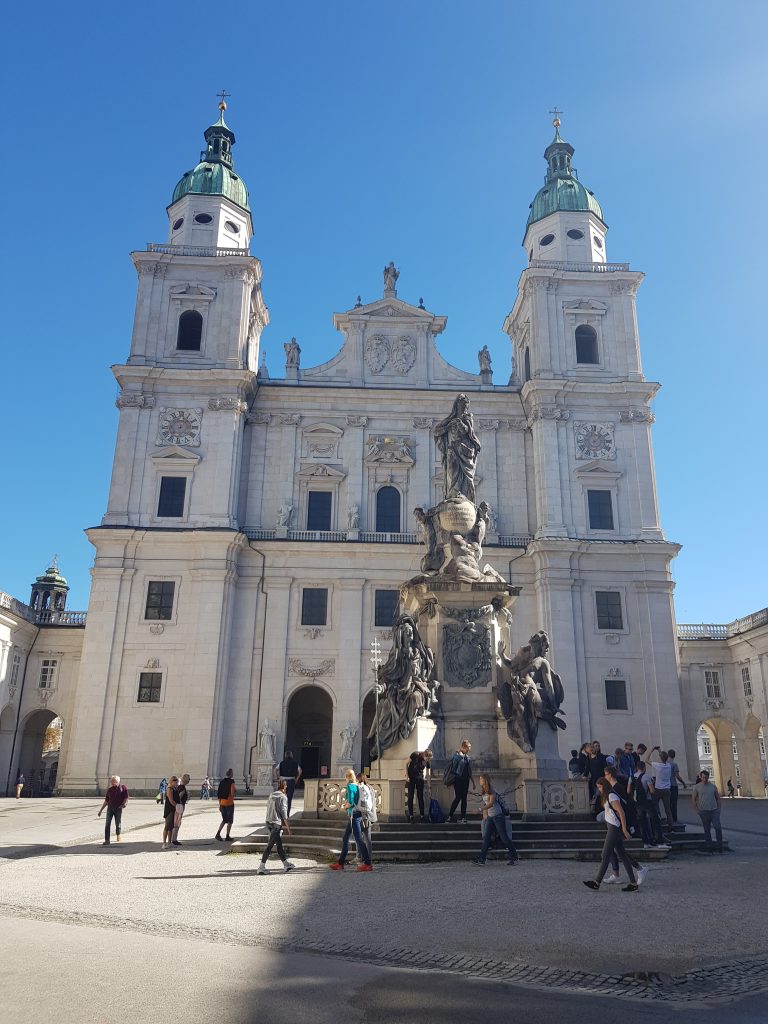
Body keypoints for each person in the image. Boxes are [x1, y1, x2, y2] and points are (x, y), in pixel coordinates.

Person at [583, 777, 639, 892]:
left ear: (604, 785)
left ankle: (597, 882)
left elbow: (621, 812)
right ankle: (633, 883)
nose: (598, 789)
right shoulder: (607, 796)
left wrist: (624, 829)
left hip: (614, 828)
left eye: (600, 786)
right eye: (597, 787)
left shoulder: (611, 796)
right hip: (612, 826)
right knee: (622, 855)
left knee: (605, 854)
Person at [602, 764, 647, 885]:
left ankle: (636, 870)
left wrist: (623, 827)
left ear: (610, 775)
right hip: (614, 823)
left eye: (605, 774)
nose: (604, 776)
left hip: (617, 824)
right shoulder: (613, 787)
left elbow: (621, 809)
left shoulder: (616, 788)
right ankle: (635, 870)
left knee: (613, 850)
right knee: (618, 850)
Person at [329, 768, 372, 871]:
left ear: (347, 777)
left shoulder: (350, 786)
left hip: (354, 815)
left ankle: (367, 863)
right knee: (345, 838)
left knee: (358, 839)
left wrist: (345, 806)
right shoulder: (357, 785)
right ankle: (340, 863)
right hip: (357, 814)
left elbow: (351, 801)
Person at [473, 774, 518, 865]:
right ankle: (482, 859)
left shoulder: (491, 790)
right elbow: (486, 803)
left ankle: (515, 856)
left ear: (485, 780)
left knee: (504, 838)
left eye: (481, 779)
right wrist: (485, 813)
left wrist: (480, 809)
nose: (479, 780)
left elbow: (491, 804)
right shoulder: (484, 790)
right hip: (490, 817)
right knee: (486, 837)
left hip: (498, 816)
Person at [257, 779, 296, 875]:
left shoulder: (271, 795)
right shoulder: (283, 797)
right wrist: (288, 829)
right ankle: (261, 867)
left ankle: (286, 864)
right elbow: (284, 814)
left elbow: (268, 806)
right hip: (276, 824)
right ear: (285, 786)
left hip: (268, 821)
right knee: (270, 846)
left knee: (279, 845)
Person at [693, 770, 723, 852]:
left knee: (718, 827)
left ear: (708, 777)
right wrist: (697, 810)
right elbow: (693, 799)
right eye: (703, 777)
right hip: (703, 811)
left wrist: (719, 808)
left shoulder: (713, 786)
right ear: (700, 777)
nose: (705, 779)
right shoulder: (697, 787)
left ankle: (719, 846)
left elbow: (717, 798)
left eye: (706, 777)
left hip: (714, 810)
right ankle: (709, 846)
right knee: (707, 829)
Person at [448, 740, 475, 823]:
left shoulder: (468, 758)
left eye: (469, 749)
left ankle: (463, 817)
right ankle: (450, 816)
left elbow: (469, 771)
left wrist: (473, 782)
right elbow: (453, 767)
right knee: (458, 797)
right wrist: (461, 756)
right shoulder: (456, 756)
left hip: (465, 780)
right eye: (467, 748)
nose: (468, 750)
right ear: (463, 747)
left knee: (464, 799)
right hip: (458, 780)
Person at [98, 775, 129, 846]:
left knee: (118, 823)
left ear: (117, 781)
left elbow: (126, 797)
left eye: (112, 781)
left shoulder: (123, 788)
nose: (111, 782)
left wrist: (124, 804)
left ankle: (118, 835)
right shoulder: (110, 790)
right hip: (110, 809)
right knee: (107, 824)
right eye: (111, 781)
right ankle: (107, 840)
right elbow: (106, 801)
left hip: (118, 808)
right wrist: (101, 810)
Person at [648, 748, 674, 829]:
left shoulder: (657, 765)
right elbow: (664, 758)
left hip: (658, 789)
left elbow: (646, 760)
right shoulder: (669, 765)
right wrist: (660, 751)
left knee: (656, 806)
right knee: (668, 809)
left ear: (660, 758)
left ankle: (658, 822)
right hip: (667, 789)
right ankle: (671, 826)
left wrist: (652, 750)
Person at [356, 771, 377, 864]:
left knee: (361, 837)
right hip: (370, 815)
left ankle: (361, 857)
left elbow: (364, 802)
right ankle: (367, 857)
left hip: (364, 815)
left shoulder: (362, 789)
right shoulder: (370, 788)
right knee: (366, 838)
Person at [275, 750, 302, 816]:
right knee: (289, 798)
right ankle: (287, 814)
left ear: (285, 756)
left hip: (282, 781)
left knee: (281, 798)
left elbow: (275, 770)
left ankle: (280, 813)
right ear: (291, 756)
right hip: (291, 780)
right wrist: (296, 779)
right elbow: (300, 771)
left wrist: (278, 778)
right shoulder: (295, 763)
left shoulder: (281, 763)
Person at [667, 748, 688, 823]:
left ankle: (669, 818)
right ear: (674, 756)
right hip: (673, 785)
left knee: (668, 803)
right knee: (674, 803)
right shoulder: (674, 764)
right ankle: (674, 818)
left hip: (666, 786)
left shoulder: (664, 764)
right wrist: (683, 783)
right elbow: (677, 776)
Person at [215, 769, 236, 842]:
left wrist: (219, 805)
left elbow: (219, 794)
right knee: (230, 821)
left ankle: (218, 833)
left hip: (222, 803)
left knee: (224, 820)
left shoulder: (222, 782)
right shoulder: (231, 782)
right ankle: (227, 835)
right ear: (231, 774)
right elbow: (232, 793)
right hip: (229, 803)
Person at [406, 751, 427, 823]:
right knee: (410, 796)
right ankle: (411, 816)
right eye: (426, 758)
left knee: (420, 796)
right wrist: (407, 776)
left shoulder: (426, 761)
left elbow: (428, 772)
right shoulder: (415, 755)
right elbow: (406, 763)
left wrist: (429, 785)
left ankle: (422, 815)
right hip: (411, 778)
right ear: (424, 755)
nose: (427, 760)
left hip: (420, 778)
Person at [171, 773, 189, 846]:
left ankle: (174, 839)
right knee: (177, 822)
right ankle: (174, 839)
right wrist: (180, 806)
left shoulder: (179, 787)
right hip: (180, 807)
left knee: (177, 822)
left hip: (179, 806)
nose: (189, 780)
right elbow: (179, 798)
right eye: (189, 779)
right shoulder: (182, 788)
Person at [162, 775, 180, 849]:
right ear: (171, 781)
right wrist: (178, 806)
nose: (176, 781)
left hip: (174, 809)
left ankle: (169, 842)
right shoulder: (169, 789)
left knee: (171, 827)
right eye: (174, 780)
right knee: (167, 826)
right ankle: (164, 843)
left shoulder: (175, 789)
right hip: (169, 809)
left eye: (176, 780)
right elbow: (171, 800)